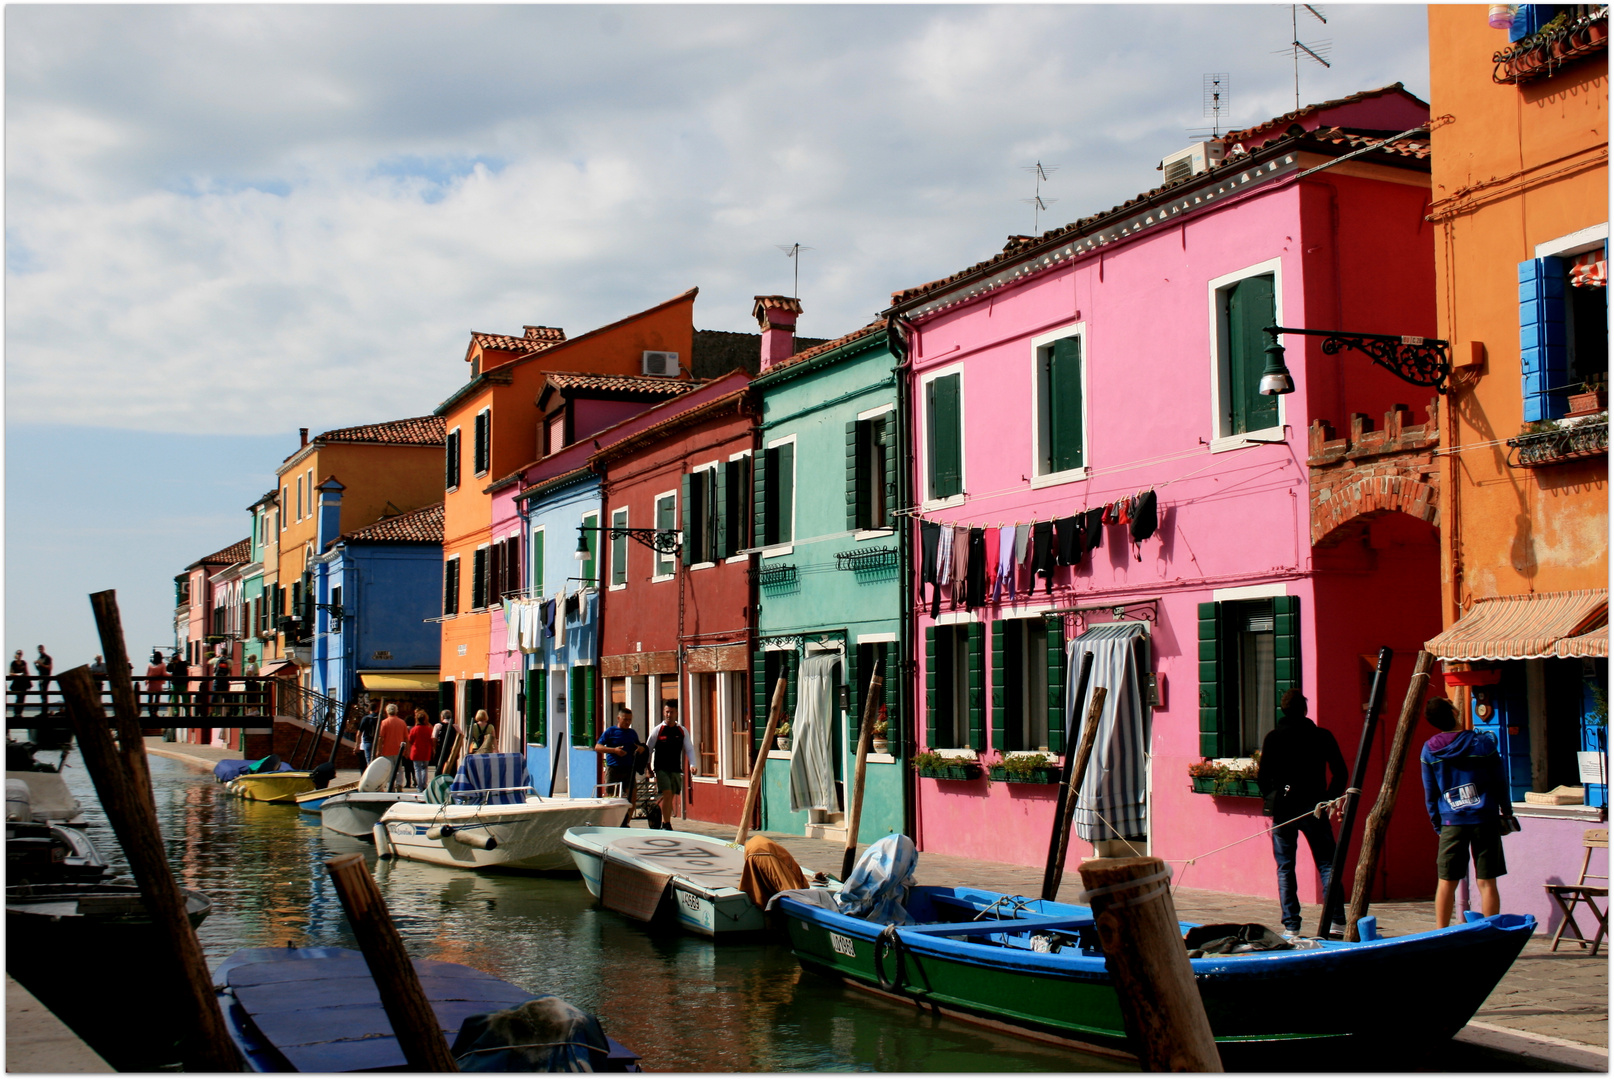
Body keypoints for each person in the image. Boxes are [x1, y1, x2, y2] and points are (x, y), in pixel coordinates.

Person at [1257, 689, 1348, 937]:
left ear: (1283, 711)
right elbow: (1341, 772)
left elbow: (1263, 778)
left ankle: (1291, 927)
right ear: (1304, 710)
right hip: (1315, 807)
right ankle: (1337, 922)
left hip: (1284, 810)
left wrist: (1273, 798)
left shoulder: (1274, 738)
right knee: (1328, 865)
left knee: (1286, 867)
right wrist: (1328, 799)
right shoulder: (1322, 736)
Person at [1421, 697, 1516, 928]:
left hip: (1451, 822)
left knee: (1446, 881)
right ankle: (1490, 933)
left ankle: (1440, 933)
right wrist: (1507, 810)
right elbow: (1500, 782)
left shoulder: (1429, 750)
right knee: (1487, 882)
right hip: (1485, 819)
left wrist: (1438, 824)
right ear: (1454, 712)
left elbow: (1430, 794)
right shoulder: (1483, 744)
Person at [644, 702, 695, 832]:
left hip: (675, 768)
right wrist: (648, 768)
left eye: (671, 712)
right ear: (663, 712)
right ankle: (666, 823)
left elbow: (689, 748)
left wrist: (693, 764)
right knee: (667, 793)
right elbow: (648, 749)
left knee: (671, 795)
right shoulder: (658, 730)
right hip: (661, 768)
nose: (669, 715)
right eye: (667, 712)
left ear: (676, 713)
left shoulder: (681, 730)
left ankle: (663, 820)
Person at [593, 706, 643, 810]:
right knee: (612, 798)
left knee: (632, 796)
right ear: (618, 718)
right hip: (614, 769)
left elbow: (639, 746)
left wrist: (641, 749)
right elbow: (598, 747)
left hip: (629, 769)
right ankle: (614, 821)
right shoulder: (611, 731)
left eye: (629, 720)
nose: (628, 722)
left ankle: (627, 823)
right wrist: (614, 750)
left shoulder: (632, 733)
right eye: (625, 719)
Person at [407, 710, 436, 790]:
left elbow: (410, 740)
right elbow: (432, 740)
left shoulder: (414, 729)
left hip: (416, 751)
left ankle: (419, 786)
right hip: (426, 751)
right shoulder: (429, 729)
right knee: (425, 769)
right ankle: (424, 784)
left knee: (417, 769)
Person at [357, 700, 382, 765]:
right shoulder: (381, 718)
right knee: (378, 762)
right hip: (378, 742)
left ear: (369, 709)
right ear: (377, 709)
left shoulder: (365, 718)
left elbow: (359, 734)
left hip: (367, 741)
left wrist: (357, 745)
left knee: (369, 762)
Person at [167, 652, 191, 718]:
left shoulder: (183, 663)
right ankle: (176, 712)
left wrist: (175, 663)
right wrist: (171, 663)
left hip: (181, 683)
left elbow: (184, 666)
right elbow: (168, 669)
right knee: (175, 699)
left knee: (185, 698)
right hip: (176, 683)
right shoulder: (173, 664)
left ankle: (187, 712)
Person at [432, 710, 455, 775]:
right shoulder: (455, 726)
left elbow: (434, 738)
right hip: (451, 750)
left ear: (442, 717)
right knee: (452, 767)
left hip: (440, 749)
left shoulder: (437, 726)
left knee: (439, 766)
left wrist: (434, 749)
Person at [143, 652, 167, 717]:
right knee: (157, 699)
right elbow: (164, 674)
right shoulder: (162, 665)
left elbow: (147, 675)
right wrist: (171, 675)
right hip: (158, 685)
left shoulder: (149, 665)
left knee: (150, 699)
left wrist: (146, 683)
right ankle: (155, 711)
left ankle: (150, 712)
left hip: (150, 685)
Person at [9, 650, 31, 718]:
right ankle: (16, 713)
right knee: (18, 698)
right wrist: (19, 674)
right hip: (16, 683)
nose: (19, 655)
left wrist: (28, 680)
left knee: (22, 698)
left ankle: (20, 713)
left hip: (23, 682)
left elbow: (27, 672)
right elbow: (11, 673)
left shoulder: (24, 662)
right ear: (16, 654)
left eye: (20, 654)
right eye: (18, 654)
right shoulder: (13, 663)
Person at [33, 646, 53, 714]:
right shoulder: (39, 658)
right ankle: (43, 711)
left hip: (46, 677)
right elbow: (39, 669)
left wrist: (40, 663)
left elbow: (49, 668)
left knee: (45, 693)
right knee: (42, 694)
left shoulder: (47, 658)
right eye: (39, 649)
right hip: (40, 677)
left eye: (41, 649)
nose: (40, 650)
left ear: (44, 649)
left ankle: (45, 711)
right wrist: (35, 665)